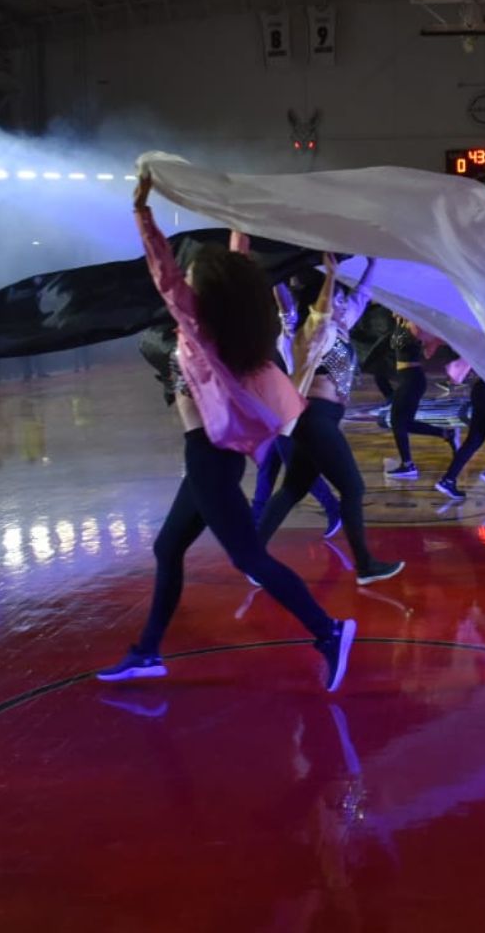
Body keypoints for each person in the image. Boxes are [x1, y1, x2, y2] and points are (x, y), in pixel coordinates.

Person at [98, 178, 355, 692]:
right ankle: (148, 650)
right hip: (207, 459)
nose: (186, 279)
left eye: (194, 276)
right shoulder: (232, 320)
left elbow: (162, 272)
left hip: (210, 459)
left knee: (248, 557)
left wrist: (141, 211)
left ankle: (328, 630)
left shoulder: (199, 326)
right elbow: (237, 265)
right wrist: (238, 219)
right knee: (169, 548)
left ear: (205, 293)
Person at [257, 253, 404, 587]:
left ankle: (252, 555)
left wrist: (373, 264)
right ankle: (365, 565)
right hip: (314, 418)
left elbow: (362, 295)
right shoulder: (309, 330)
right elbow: (290, 307)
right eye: (335, 298)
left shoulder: (341, 326)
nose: (341, 302)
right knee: (353, 487)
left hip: (321, 421)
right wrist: (285, 274)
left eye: (340, 298)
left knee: (293, 488)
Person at [250, 279, 343, 536]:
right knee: (269, 464)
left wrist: (275, 277)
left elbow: (285, 306)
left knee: (294, 469)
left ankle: (333, 508)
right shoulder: (290, 333)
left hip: (292, 413)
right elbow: (286, 309)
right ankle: (256, 518)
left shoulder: (304, 336)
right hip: (276, 409)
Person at [386, 316, 459, 479]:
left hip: (413, 379)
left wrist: (433, 343)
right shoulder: (400, 322)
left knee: (398, 423)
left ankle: (408, 465)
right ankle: (446, 433)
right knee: (404, 423)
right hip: (405, 378)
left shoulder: (415, 323)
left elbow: (432, 345)